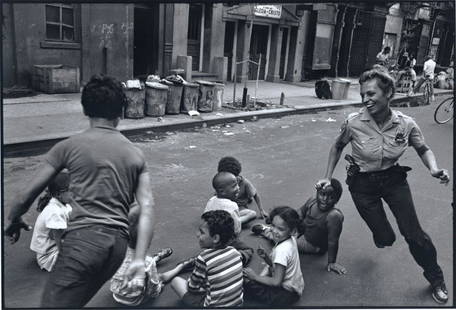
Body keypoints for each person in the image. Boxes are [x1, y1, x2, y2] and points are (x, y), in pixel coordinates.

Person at [5, 75, 155, 307]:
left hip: (85, 242)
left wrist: (13, 218)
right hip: (117, 248)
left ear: (84, 109)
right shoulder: (135, 153)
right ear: (122, 111)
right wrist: (138, 258)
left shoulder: (68, 147)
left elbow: (24, 196)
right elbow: (146, 208)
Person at [316, 67, 450, 304]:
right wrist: (327, 176)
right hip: (362, 185)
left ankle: (436, 278)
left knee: (414, 235)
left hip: (393, 181)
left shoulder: (405, 124)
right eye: (362, 96)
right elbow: (337, 146)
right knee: (386, 238)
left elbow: (423, 149)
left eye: (371, 94)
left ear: (388, 92)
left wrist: (433, 169)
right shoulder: (353, 123)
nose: (366, 100)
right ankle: (381, 234)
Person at [251, 178, 346, 275]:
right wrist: (283, 219)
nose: (325, 199)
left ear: (337, 200)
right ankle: (275, 227)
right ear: (317, 193)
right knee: (285, 225)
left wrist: (332, 262)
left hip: (313, 245)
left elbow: (333, 241)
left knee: (283, 240)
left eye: (331, 197)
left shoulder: (334, 216)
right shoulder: (312, 201)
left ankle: (267, 231)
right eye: (323, 194)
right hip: (302, 231)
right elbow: (299, 213)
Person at [110, 204, 190, 306]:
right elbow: (153, 288)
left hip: (117, 294)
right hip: (135, 300)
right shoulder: (147, 262)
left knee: (139, 266)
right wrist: (158, 289)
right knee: (160, 277)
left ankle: (157, 258)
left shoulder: (116, 252)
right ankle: (181, 267)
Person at [170, 210, 244, 307]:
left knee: (176, 281)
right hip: (238, 305)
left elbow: (192, 288)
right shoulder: (235, 252)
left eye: (202, 232)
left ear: (215, 238)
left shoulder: (204, 258)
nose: (197, 235)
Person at [243, 206, 305, 306]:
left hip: (285, 294)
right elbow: (279, 265)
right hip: (296, 285)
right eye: (273, 225)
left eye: (280, 229)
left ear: (292, 231)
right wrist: (265, 257)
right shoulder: (291, 240)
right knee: (261, 276)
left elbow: (276, 282)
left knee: (247, 283)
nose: (274, 231)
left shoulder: (282, 250)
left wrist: (254, 277)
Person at [204, 171, 253, 265]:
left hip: (211, 237)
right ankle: (235, 259)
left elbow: (205, 217)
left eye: (238, 185)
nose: (238, 188)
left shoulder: (211, 200)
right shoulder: (232, 206)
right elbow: (236, 229)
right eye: (234, 186)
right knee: (248, 250)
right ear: (222, 191)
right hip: (225, 241)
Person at [30, 171, 72, 272]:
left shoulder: (63, 204)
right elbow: (58, 238)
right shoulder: (54, 212)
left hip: (54, 248)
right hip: (49, 256)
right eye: (72, 190)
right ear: (59, 194)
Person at [217, 156, 268, 223]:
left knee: (252, 214)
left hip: (239, 207)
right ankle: (231, 220)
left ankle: (236, 222)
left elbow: (255, 194)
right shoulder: (222, 182)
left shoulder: (244, 182)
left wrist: (261, 210)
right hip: (227, 206)